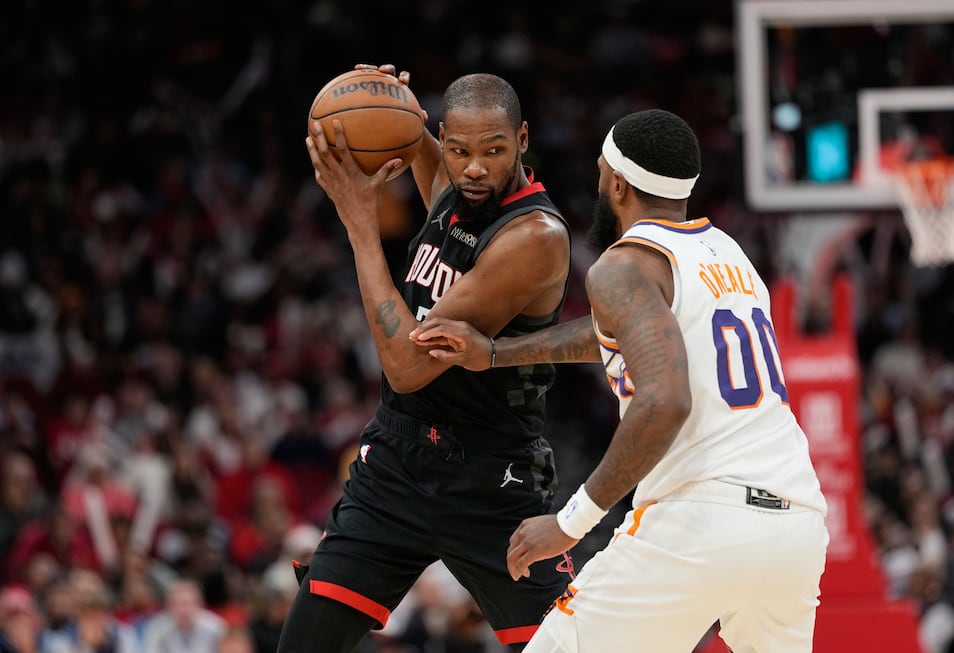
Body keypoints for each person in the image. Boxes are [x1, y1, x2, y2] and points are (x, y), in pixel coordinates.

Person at [410, 108, 830, 652]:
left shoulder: (622, 266)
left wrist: (570, 522)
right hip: (794, 523)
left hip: (701, 518)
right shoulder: (729, 254)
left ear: (616, 181)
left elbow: (666, 398)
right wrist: (497, 353)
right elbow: (627, 334)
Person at [278, 65, 573, 653]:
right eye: (458, 148)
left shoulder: (534, 237)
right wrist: (393, 102)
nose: (473, 167)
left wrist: (362, 227)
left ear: (521, 140)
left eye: (492, 150)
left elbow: (405, 368)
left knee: (566, 646)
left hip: (492, 478)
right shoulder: (454, 185)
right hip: (397, 461)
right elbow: (413, 141)